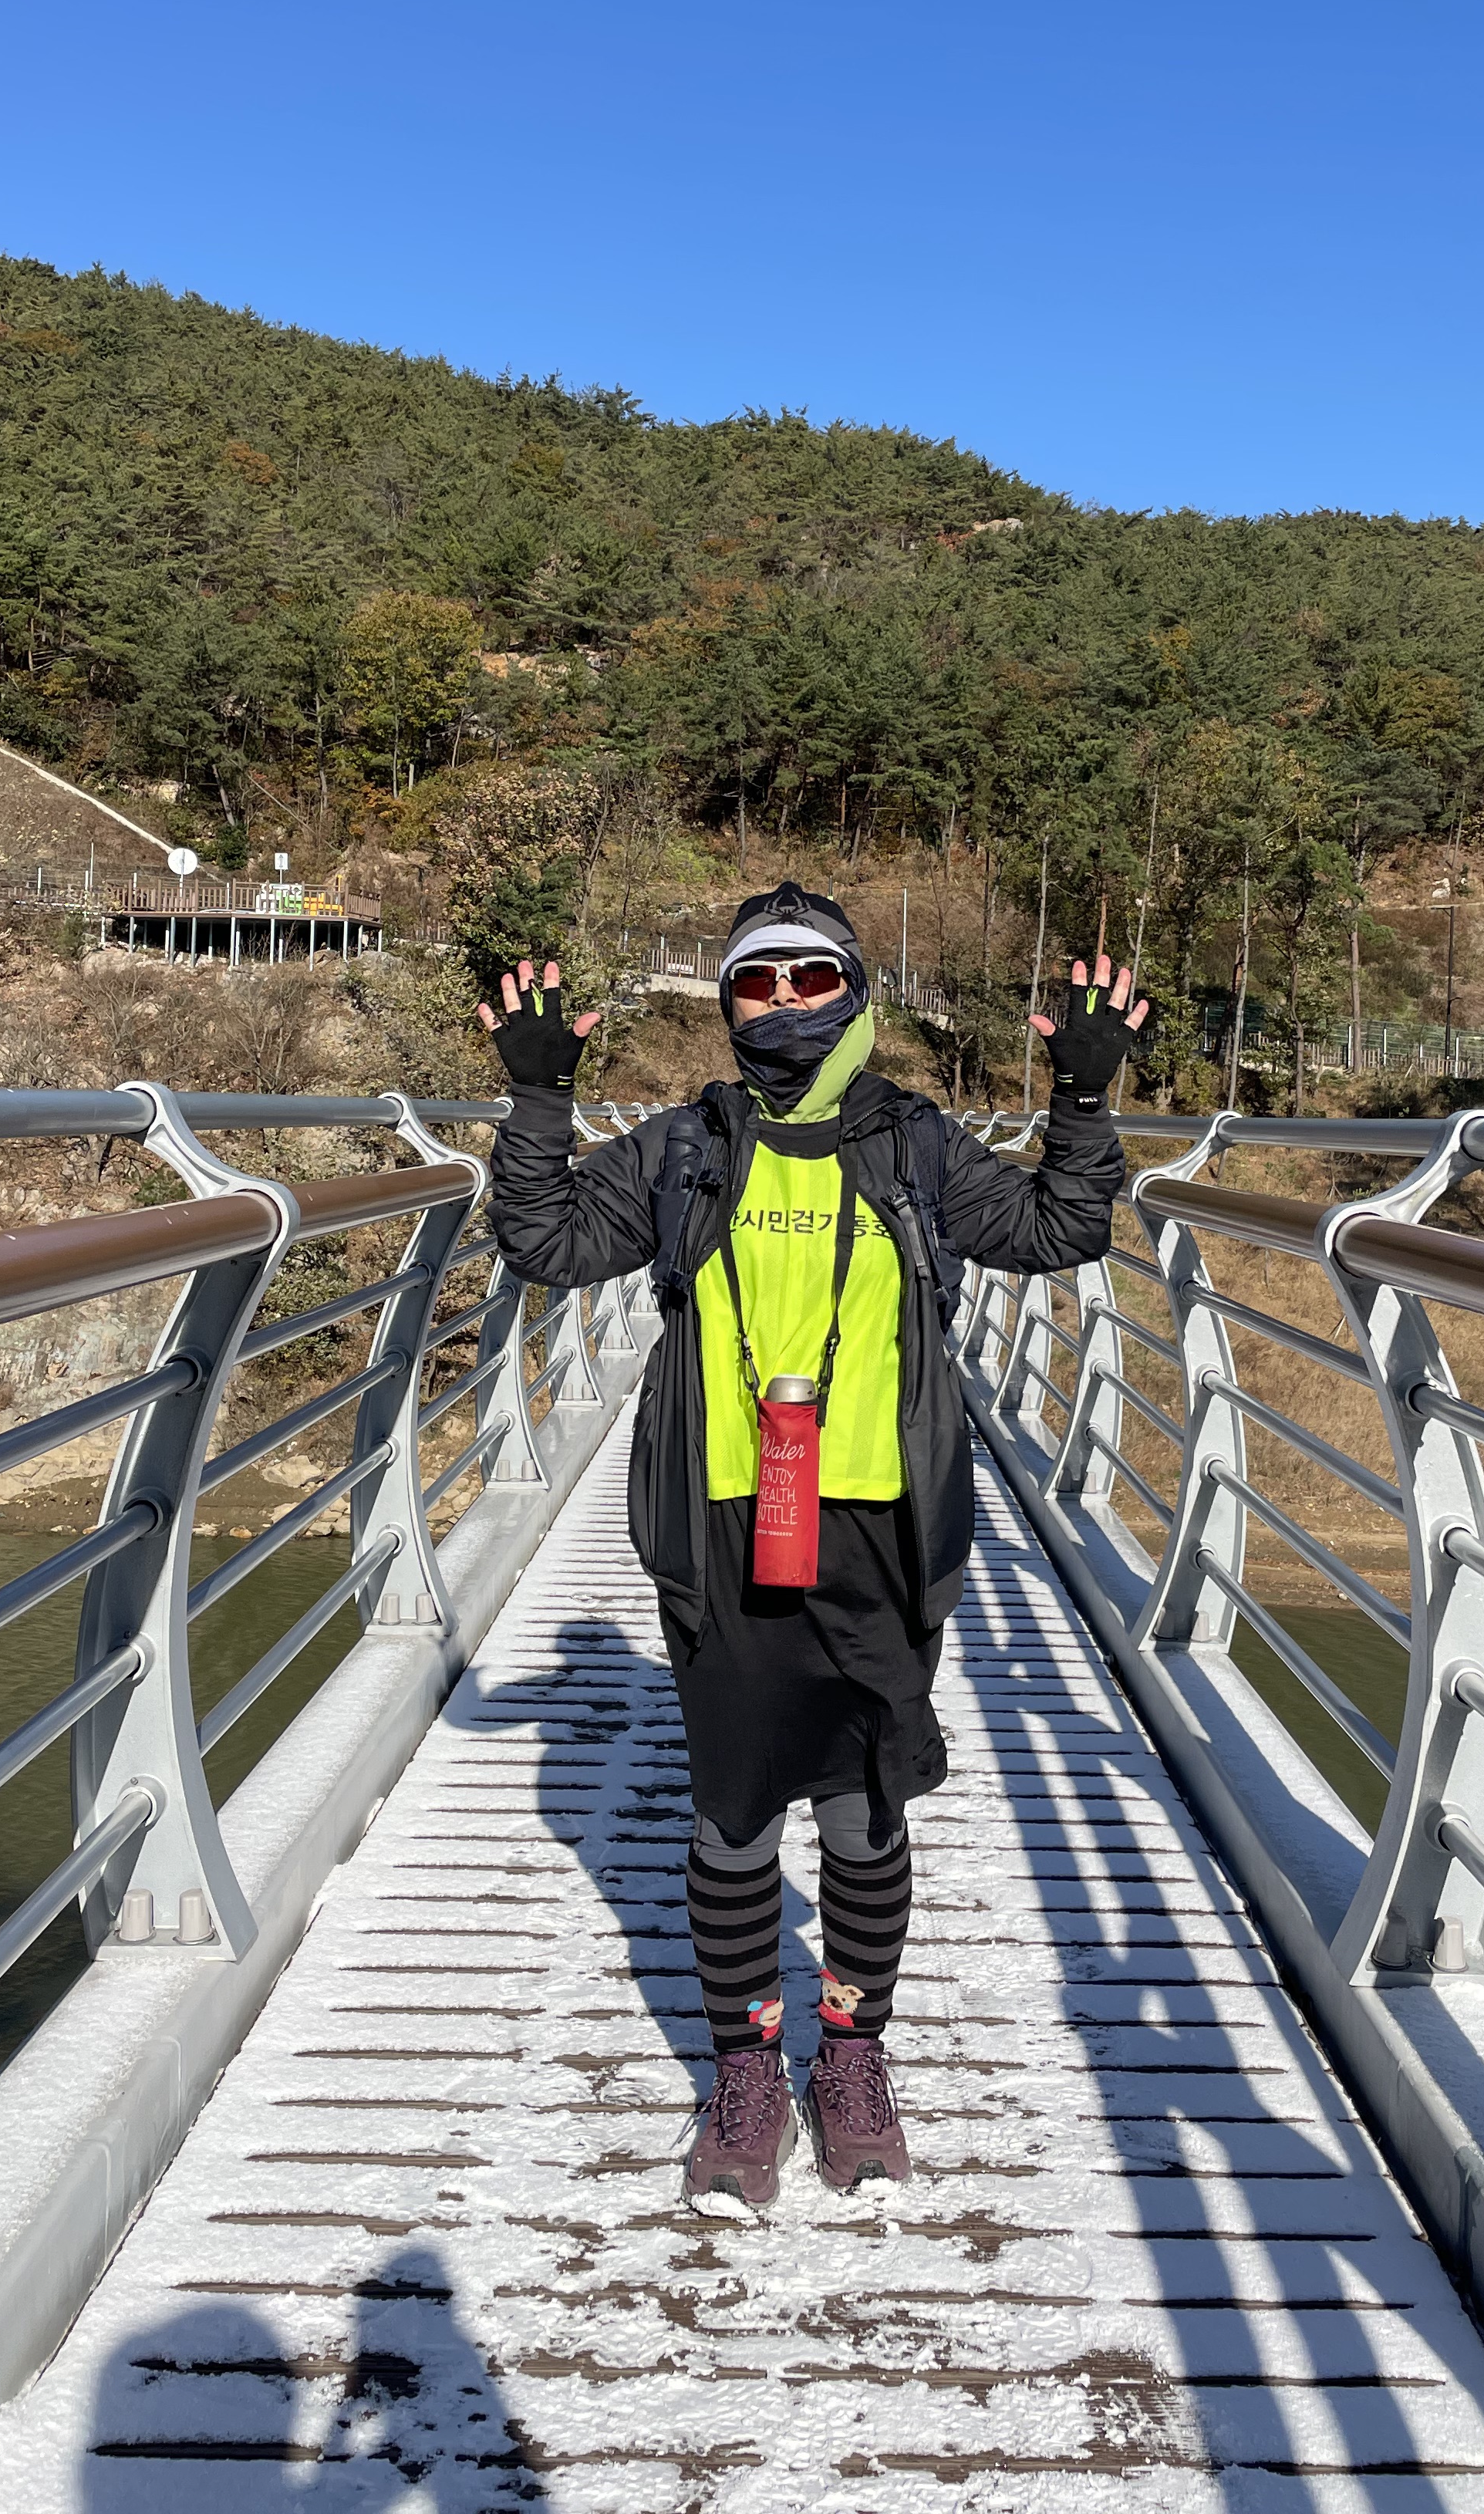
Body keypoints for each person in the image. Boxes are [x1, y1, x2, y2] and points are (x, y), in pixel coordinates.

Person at [478, 881, 1149, 2206]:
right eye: (756, 980)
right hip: (721, 1527)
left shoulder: (913, 1144)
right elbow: (545, 1242)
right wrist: (540, 1099)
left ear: (855, 991)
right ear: (730, 1004)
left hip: (878, 1530)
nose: (784, 1000)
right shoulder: (684, 1148)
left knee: (863, 1810)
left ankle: (850, 2056)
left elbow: (1059, 1229)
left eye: (812, 976)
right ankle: (746, 2071)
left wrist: (1083, 1096)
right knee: (732, 1823)